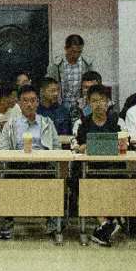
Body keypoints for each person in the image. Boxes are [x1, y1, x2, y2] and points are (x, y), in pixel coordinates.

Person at [0, 85, 62, 244]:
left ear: (38, 102)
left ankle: (54, 224)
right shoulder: (11, 124)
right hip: (17, 165)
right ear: (19, 103)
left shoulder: (47, 123)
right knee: (7, 179)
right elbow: (3, 149)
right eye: (25, 101)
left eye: (33, 100)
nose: (29, 104)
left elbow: (57, 147)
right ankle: (7, 223)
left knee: (55, 180)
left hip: (42, 165)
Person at [77, 86, 125, 247]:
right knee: (82, 183)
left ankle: (106, 225)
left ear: (108, 102)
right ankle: (106, 223)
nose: (98, 104)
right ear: (88, 103)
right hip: (90, 168)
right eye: (94, 101)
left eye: (102, 100)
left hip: (113, 168)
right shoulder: (83, 122)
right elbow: (79, 146)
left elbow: (124, 143)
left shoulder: (116, 121)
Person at [50, 34, 94, 117]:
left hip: (83, 107)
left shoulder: (87, 63)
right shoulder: (56, 64)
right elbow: (50, 86)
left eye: (79, 52)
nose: (76, 55)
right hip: (61, 106)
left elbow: (93, 86)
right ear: (66, 49)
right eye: (73, 52)